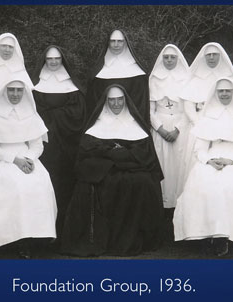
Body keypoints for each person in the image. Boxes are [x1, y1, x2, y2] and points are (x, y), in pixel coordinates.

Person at [61, 84, 165, 256]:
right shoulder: (97, 126)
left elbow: (145, 157)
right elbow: (86, 156)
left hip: (127, 170)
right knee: (95, 184)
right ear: (106, 102)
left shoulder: (135, 125)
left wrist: (113, 154)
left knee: (144, 182)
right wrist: (117, 155)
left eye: (119, 100)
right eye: (112, 100)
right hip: (106, 171)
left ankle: (134, 237)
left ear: (125, 101)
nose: (116, 104)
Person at [173, 77, 233, 256]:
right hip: (212, 159)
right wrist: (209, 161)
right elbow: (200, 149)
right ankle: (204, 232)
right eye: (220, 91)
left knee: (231, 187)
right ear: (215, 93)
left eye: (227, 91)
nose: (224, 94)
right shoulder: (208, 117)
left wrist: (232, 161)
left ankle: (224, 236)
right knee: (201, 185)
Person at [0, 78, 57, 258]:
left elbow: (37, 145)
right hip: (2, 161)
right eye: (11, 90)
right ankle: (13, 239)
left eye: (19, 90)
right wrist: (15, 160)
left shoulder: (31, 115)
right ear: (4, 91)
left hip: (27, 158)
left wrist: (30, 158)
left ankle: (34, 238)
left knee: (40, 184)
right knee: (16, 188)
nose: (15, 94)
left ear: (24, 92)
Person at [32, 45, 86, 243]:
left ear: (62, 60)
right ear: (44, 61)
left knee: (66, 183)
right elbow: (32, 113)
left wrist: (53, 118)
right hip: (45, 145)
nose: (53, 62)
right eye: (49, 59)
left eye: (57, 59)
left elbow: (78, 115)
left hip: (67, 145)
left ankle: (65, 228)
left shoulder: (72, 87)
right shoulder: (36, 86)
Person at [177, 42, 233, 197]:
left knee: (220, 164)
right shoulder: (196, 79)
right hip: (198, 128)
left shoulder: (228, 79)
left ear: (220, 57)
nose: (211, 58)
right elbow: (189, 106)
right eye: (208, 55)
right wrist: (199, 123)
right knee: (195, 163)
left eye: (214, 55)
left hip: (222, 128)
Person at [149, 44, 189, 210]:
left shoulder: (187, 78)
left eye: (173, 57)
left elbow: (190, 109)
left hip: (180, 126)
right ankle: (162, 203)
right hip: (160, 126)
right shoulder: (154, 78)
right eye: (166, 57)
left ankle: (179, 203)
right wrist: (160, 129)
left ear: (178, 59)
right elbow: (150, 109)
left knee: (180, 164)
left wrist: (177, 129)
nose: (169, 60)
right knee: (162, 163)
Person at [86, 29, 150, 123]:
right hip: (104, 121)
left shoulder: (137, 74)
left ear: (125, 43)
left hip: (131, 122)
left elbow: (141, 104)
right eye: (113, 41)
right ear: (108, 43)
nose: (116, 45)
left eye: (120, 41)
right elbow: (94, 102)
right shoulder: (98, 72)